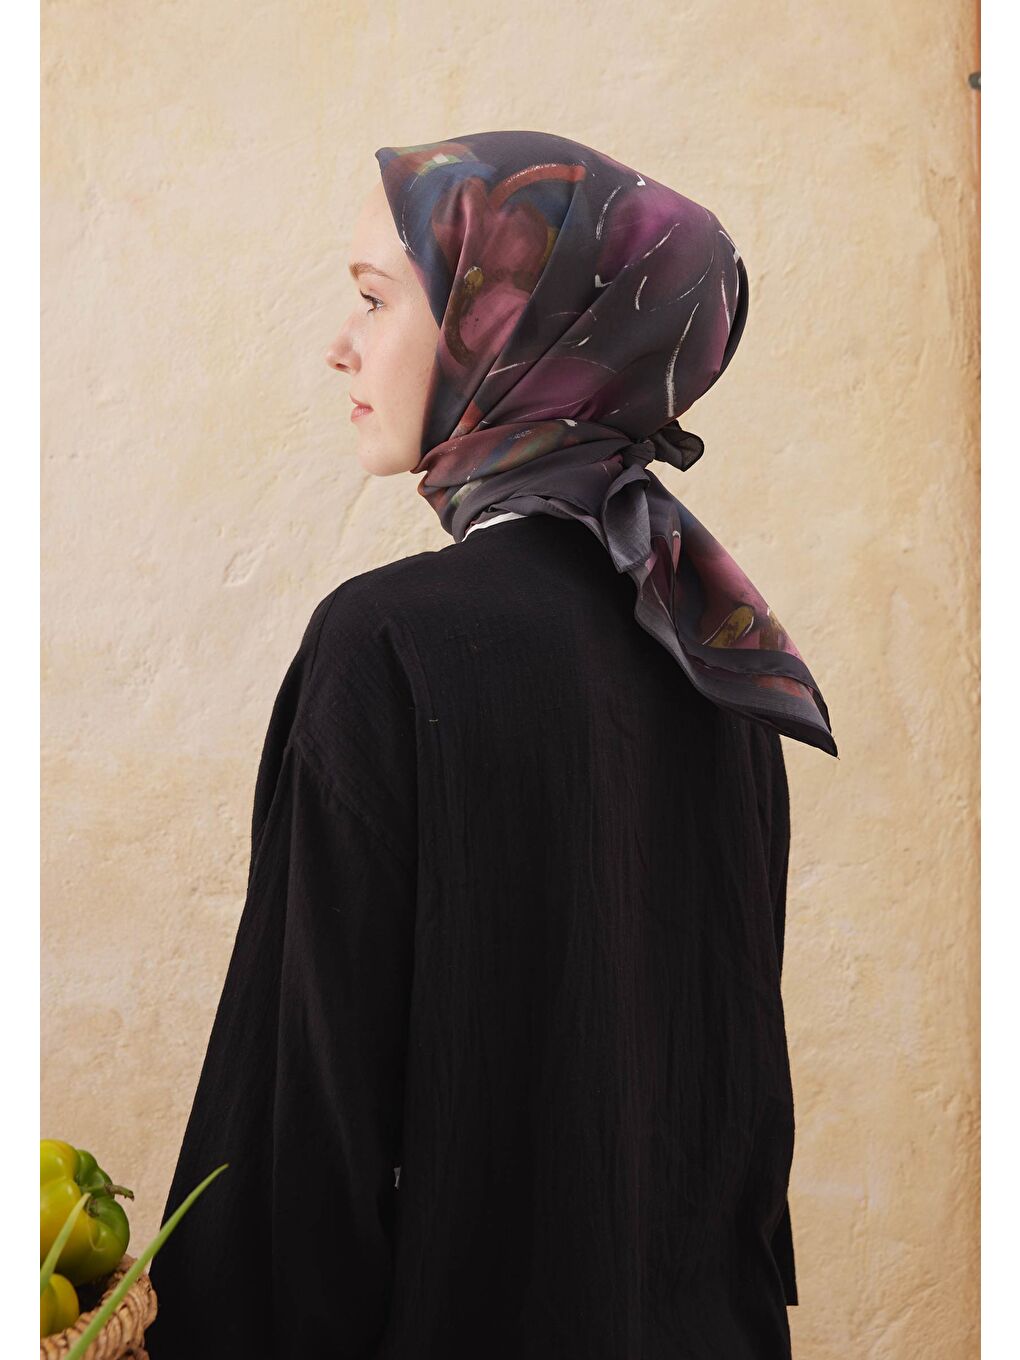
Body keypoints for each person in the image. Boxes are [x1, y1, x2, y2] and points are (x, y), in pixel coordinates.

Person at [144, 130, 837, 1360]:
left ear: (503, 326)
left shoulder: (390, 642)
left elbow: (302, 1125)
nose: (341, 345)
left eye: (375, 299)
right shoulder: (717, 647)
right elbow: (728, 1111)